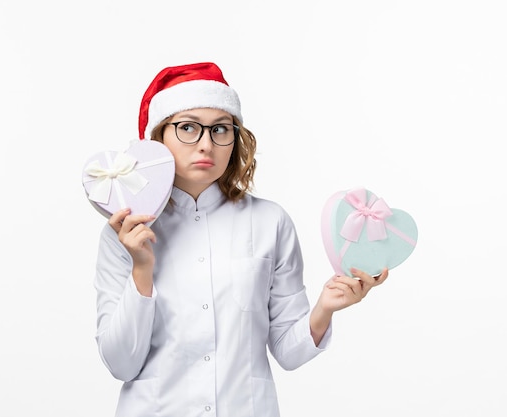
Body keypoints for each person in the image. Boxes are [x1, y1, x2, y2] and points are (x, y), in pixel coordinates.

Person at [93, 62, 388, 417]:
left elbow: (288, 352)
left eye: (220, 129)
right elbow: (121, 364)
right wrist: (142, 269)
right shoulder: (123, 233)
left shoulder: (270, 222)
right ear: (157, 139)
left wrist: (325, 307)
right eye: (187, 127)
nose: (206, 144)